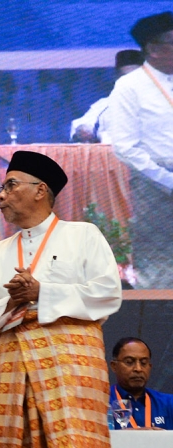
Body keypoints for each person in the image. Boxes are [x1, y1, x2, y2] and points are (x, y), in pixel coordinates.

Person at [0, 150, 123, 448]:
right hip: (17, 370)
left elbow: (107, 294)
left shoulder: (83, 235)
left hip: (71, 370)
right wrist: (12, 303)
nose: (1, 195)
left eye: (9, 185)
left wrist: (44, 293)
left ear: (41, 191)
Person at [108, 12, 173, 289]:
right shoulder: (130, 86)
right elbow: (124, 146)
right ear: (154, 48)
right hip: (154, 180)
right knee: (159, 260)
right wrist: (167, 179)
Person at [70, 49, 144, 143]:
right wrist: (82, 130)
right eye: (125, 77)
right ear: (116, 78)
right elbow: (83, 124)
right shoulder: (105, 104)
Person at [109, 336, 173, 429]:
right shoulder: (101, 403)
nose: (138, 369)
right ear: (114, 366)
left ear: (150, 367)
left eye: (143, 363)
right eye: (129, 362)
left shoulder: (168, 403)